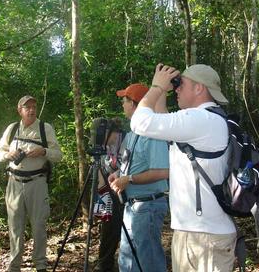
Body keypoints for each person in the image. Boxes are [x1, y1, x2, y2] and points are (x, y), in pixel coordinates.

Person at [130, 64, 236, 272]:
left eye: (181, 84)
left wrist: (156, 87)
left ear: (199, 88)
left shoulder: (201, 119)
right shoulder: (205, 121)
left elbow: (140, 123)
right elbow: (162, 121)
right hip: (196, 232)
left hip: (205, 237)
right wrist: (163, 91)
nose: (176, 89)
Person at [0, 95, 62, 272]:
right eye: (27, 107)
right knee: (15, 226)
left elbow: (58, 155)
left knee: (39, 225)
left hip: (37, 183)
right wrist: (8, 155)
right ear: (20, 110)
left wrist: (44, 151)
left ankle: (40, 264)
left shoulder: (44, 128)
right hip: (14, 183)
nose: (31, 110)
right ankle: (14, 265)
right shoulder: (12, 128)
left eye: (33, 107)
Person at [108, 83, 169, 272]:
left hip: (147, 207)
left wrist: (129, 179)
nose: (123, 105)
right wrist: (119, 174)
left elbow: (163, 171)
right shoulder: (134, 132)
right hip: (133, 206)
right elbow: (133, 162)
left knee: (148, 261)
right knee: (127, 260)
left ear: (135, 103)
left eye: (125, 101)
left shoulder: (153, 133)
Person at [95, 118, 126, 272]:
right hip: (106, 189)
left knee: (124, 228)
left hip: (124, 189)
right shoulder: (102, 144)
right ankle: (104, 263)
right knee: (107, 227)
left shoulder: (127, 139)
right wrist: (101, 194)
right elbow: (99, 166)